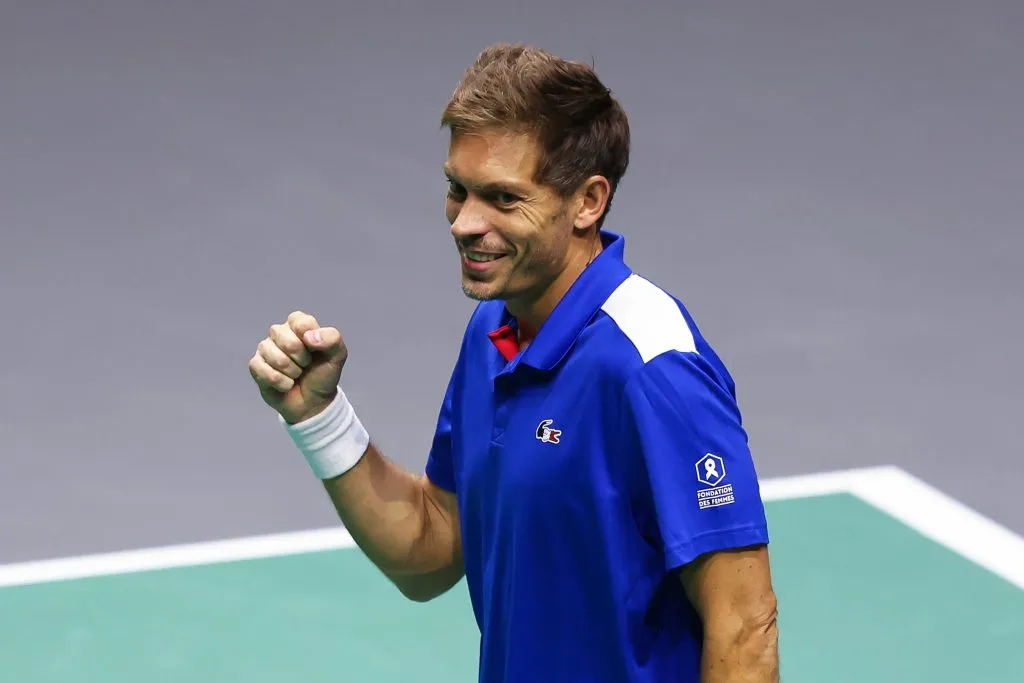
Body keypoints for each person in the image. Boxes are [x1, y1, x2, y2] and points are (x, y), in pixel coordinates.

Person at [248, 43, 779, 683]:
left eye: (503, 198)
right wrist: (320, 418)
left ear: (588, 201)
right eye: (458, 190)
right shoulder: (494, 330)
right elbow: (430, 549)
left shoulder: (653, 367)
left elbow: (744, 625)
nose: (464, 224)